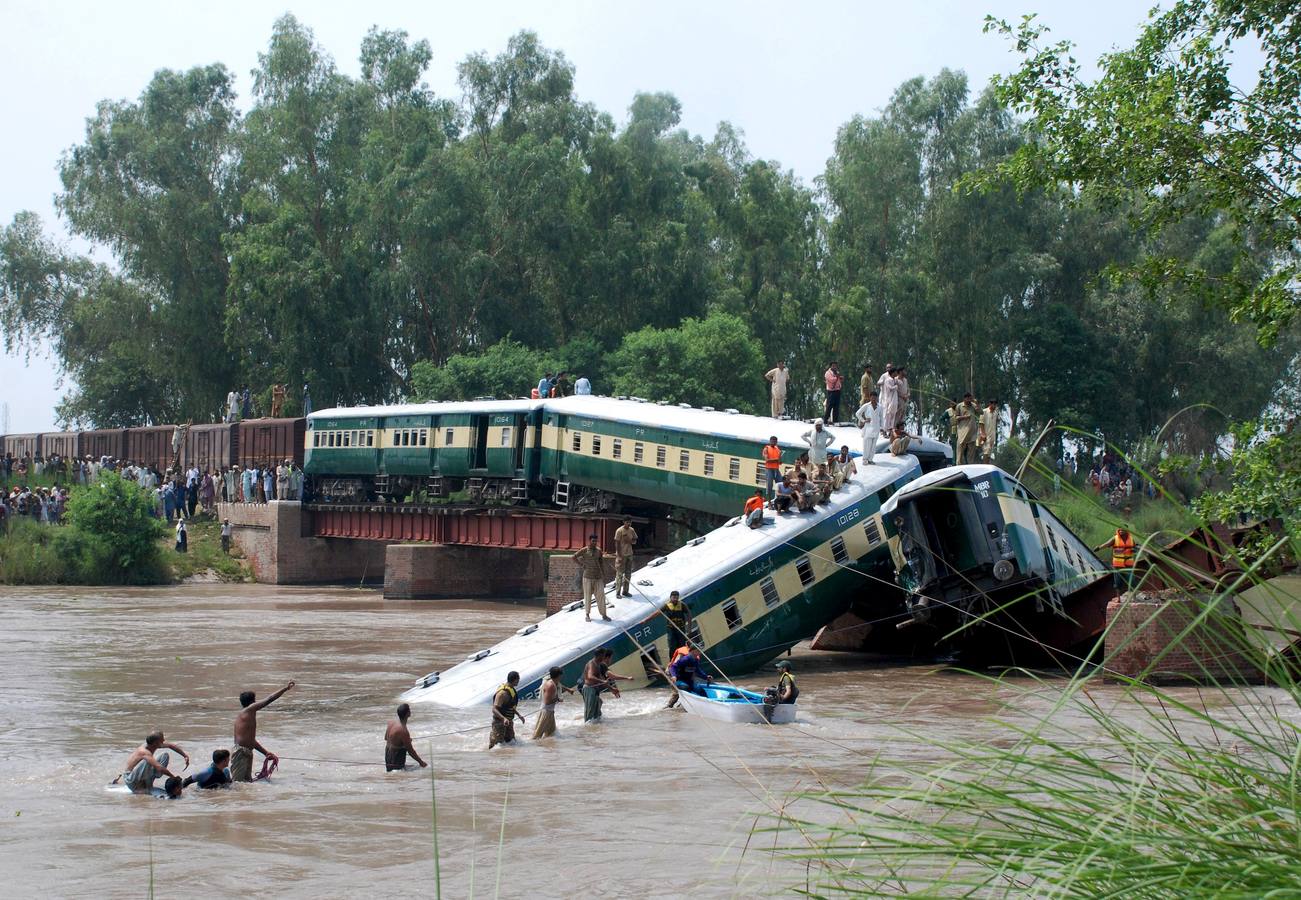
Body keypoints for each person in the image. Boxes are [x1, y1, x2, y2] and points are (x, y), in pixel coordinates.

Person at [231, 681, 294, 782]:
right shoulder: (249, 710)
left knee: (247, 783)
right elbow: (269, 699)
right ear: (252, 702)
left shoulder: (247, 715)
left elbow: (251, 741)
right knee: (237, 783)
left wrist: (266, 753)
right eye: (255, 700)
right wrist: (285, 688)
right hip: (241, 752)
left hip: (246, 751)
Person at [118, 731, 190, 794]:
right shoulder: (144, 751)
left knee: (165, 755)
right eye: (162, 740)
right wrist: (173, 777)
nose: (164, 741)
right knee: (148, 761)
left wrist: (185, 755)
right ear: (156, 742)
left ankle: (148, 783)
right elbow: (159, 767)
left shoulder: (153, 744)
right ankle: (139, 787)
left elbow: (171, 745)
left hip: (138, 774)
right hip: (130, 779)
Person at [572, 534, 614, 622]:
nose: (594, 543)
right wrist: (582, 565)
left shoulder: (599, 551)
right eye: (593, 541)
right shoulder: (584, 550)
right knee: (587, 596)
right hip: (587, 577)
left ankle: (604, 615)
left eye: (596, 541)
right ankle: (587, 615)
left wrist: (603, 575)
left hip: (598, 577)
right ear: (589, 541)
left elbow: (601, 563)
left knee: (601, 596)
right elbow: (574, 557)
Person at [581, 649, 630, 722]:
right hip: (589, 689)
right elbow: (590, 676)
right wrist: (602, 681)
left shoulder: (598, 665)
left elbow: (603, 681)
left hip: (594, 691)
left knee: (597, 714)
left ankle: (596, 731)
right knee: (590, 714)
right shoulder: (592, 664)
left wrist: (612, 689)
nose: (605, 657)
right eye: (604, 655)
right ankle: (587, 730)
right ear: (600, 655)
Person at [532, 667, 575, 740]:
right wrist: (558, 699)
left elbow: (560, 685)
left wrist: (568, 690)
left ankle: (549, 749)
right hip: (546, 713)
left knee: (551, 734)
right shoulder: (550, 685)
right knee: (536, 737)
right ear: (558, 676)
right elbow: (547, 701)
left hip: (550, 712)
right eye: (561, 675)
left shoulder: (554, 682)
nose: (562, 677)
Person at [385, 703, 428, 770]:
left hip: (388, 756)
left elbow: (386, 738)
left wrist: (404, 741)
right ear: (408, 713)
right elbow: (411, 752)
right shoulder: (403, 731)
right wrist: (421, 762)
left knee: (392, 774)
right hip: (396, 759)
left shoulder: (391, 722)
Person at [489, 672, 524, 749]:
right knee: (497, 746)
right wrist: (503, 718)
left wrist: (519, 715)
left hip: (508, 722)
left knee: (511, 743)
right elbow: (494, 709)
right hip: (499, 723)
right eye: (518, 679)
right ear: (515, 680)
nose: (519, 681)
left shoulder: (511, 690)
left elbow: (510, 706)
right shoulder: (502, 693)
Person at [613, 518, 637, 598]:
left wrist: (630, 540)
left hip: (629, 554)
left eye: (630, 522)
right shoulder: (619, 530)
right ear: (624, 522)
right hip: (621, 554)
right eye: (627, 522)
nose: (628, 524)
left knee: (628, 574)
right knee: (619, 574)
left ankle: (625, 591)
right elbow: (617, 543)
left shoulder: (631, 530)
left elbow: (635, 540)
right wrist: (619, 556)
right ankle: (618, 592)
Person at [1109, 525, 1136, 592]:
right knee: (1117, 583)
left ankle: (1133, 597)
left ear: (1126, 530)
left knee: (1132, 581)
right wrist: (1099, 547)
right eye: (1120, 530)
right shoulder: (1114, 539)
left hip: (1129, 564)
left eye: (1122, 530)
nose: (1121, 531)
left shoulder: (1131, 539)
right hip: (1117, 565)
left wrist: (1133, 550)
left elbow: (1134, 547)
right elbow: (1107, 545)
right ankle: (1119, 599)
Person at [955, 393, 980, 465]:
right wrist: (964, 417)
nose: (969, 400)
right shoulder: (959, 406)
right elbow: (956, 418)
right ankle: (958, 466)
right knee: (959, 454)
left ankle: (970, 466)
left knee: (971, 454)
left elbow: (980, 412)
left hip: (972, 433)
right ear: (964, 399)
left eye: (970, 398)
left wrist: (977, 403)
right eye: (968, 398)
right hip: (962, 433)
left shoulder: (973, 405)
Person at [854, 392, 879, 463]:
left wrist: (882, 428)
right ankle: (865, 459)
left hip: (876, 428)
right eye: (872, 397)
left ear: (877, 398)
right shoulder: (866, 406)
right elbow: (857, 413)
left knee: (873, 445)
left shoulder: (880, 407)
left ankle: (870, 459)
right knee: (867, 444)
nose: (874, 399)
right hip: (868, 427)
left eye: (875, 397)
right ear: (870, 397)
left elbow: (881, 417)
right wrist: (863, 420)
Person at [877, 366, 900, 437]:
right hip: (888, 400)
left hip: (894, 400)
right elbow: (889, 388)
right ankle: (884, 430)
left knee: (893, 415)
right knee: (887, 415)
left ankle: (890, 431)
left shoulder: (894, 380)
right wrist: (895, 387)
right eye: (896, 372)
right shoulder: (887, 379)